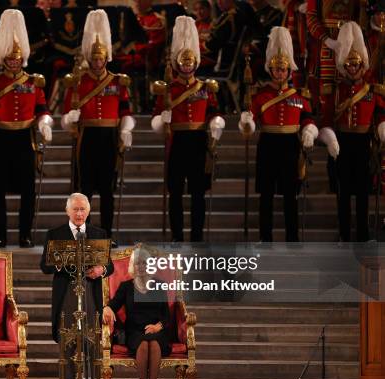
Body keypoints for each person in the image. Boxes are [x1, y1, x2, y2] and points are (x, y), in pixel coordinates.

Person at [0, 9, 53, 249]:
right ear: (5, 58)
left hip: (24, 138)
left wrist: (45, 123)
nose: (14, 61)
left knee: (28, 190)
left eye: (18, 57)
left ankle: (25, 234)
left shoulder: (33, 81)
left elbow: (42, 108)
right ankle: (0, 235)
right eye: (10, 57)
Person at [61, 10, 135, 247]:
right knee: (85, 191)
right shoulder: (77, 82)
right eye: (93, 59)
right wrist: (70, 118)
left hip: (109, 138)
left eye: (100, 59)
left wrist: (126, 129)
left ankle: (107, 235)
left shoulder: (117, 81)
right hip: (87, 138)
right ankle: (84, 235)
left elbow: (125, 110)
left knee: (107, 191)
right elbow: (66, 114)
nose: (97, 62)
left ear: (106, 59)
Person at [238, 27, 318, 242]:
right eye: (277, 69)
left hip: (291, 146)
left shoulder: (300, 96)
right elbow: (251, 118)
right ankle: (266, 240)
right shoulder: (261, 95)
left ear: (289, 71)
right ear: (271, 70)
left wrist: (309, 131)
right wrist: (246, 122)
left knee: (291, 197)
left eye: (284, 70)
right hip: (268, 145)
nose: (280, 73)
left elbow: (307, 118)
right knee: (266, 196)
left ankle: (292, 240)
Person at [151, 16, 225, 242]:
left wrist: (216, 124)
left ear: (195, 63)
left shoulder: (205, 87)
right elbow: (156, 115)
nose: (187, 66)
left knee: (198, 194)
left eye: (190, 62)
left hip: (198, 142)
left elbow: (213, 111)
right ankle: (177, 237)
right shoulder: (168, 89)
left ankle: (197, 236)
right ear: (177, 64)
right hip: (177, 142)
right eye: (183, 63)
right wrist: (161, 120)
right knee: (175, 194)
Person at [40, 192, 114, 379]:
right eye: (76, 209)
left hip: (91, 293)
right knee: (68, 343)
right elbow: (44, 265)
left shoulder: (98, 233)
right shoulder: (55, 234)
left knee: (92, 343)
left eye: (83, 209)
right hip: (67, 294)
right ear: (68, 211)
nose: (80, 213)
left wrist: (101, 269)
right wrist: (61, 263)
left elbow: (110, 266)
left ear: (88, 211)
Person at [318, 22, 385, 242]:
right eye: (349, 64)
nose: (353, 68)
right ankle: (345, 234)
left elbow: (380, 114)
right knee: (343, 192)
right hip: (343, 142)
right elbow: (326, 119)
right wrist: (329, 139)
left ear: (362, 65)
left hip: (364, 142)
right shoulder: (335, 91)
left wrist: (383, 129)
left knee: (363, 192)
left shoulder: (372, 90)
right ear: (344, 66)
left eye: (356, 64)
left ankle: (363, 235)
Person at [102, 247, 170, 379]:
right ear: (133, 266)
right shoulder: (126, 286)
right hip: (134, 331)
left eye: (144, 263)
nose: (141, 267)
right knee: (144, 343)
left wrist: (157, 326)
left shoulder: (159, 285)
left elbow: (167, 315)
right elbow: (113, 305)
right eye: (137, 263)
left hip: (157, 330)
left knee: (153, 342)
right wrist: (106, 308)